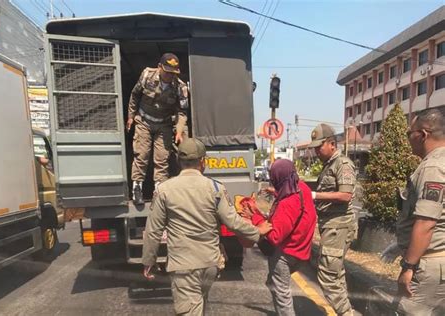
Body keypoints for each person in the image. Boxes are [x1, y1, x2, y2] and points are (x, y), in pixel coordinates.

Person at [141, 138, 272, 315]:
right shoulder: (215, 188)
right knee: (199, 305)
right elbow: (233, 221)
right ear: (202, 162)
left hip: (183, 266)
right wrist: (257, 232)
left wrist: (149, 260)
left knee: (190, 309)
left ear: (179, 162)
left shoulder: (164, 189)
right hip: (209, 264)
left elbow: (153, 230)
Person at [387, 108, 445, 315]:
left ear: (422, 135)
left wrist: (408, 266)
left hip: (429, 265)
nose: (407, 139)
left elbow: (426, 222)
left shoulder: (433, 168)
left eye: (408, 134)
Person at [243, 159, 317, 315]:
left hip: (286, 255)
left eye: (274, 178)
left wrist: (255, 217)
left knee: (282, 295)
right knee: (273, 283)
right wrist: (275, 193)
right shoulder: (302, 188)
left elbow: (275, 236)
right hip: (302, 250)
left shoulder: (287, 203)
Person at [126, 53, 189, 204]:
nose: (169, 75)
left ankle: (159, 191)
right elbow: (135, 95)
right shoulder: (147, 75)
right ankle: (137, 188)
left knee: (162, 158)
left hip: (164, 124)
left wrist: (179, 131)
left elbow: (182, 111)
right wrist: (130, 116)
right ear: (159, 67)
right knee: (142, 154)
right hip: (144, 120)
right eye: (167, 71)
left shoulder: (180, 87)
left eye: (173, 73)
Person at [307, 123, 357, 316]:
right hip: (331, 226)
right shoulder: (329, 165)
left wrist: (315, 196)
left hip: (339, 226)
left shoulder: (342, 164)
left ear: (331, 144)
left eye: (319, 147)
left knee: (327, 276)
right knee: (336, 275)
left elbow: (345, 195)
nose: (316, 151)